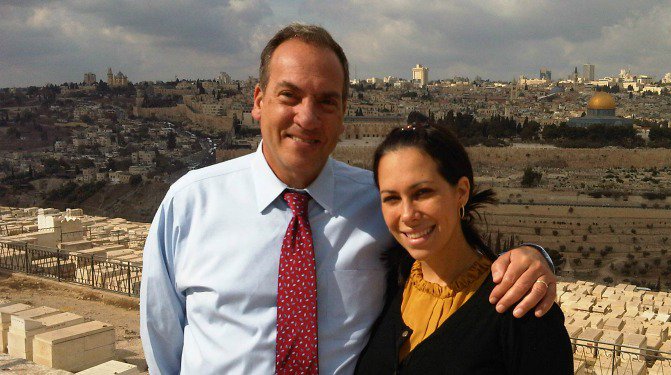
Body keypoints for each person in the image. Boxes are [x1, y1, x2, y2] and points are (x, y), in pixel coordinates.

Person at [140, 23, 558, 375]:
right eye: (290, 96)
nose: (307, 117)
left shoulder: (379, 203)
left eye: (326, 101)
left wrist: (537, 255)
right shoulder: (190, 204)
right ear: (258, 101)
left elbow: (450, 245)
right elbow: (162, 343)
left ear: (343, 114)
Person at [355, 115, 573, 374]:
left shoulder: (519, 307)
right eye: (391, 198)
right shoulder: (386, 284)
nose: (407, 215)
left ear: (461, 192)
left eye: (422, 193)